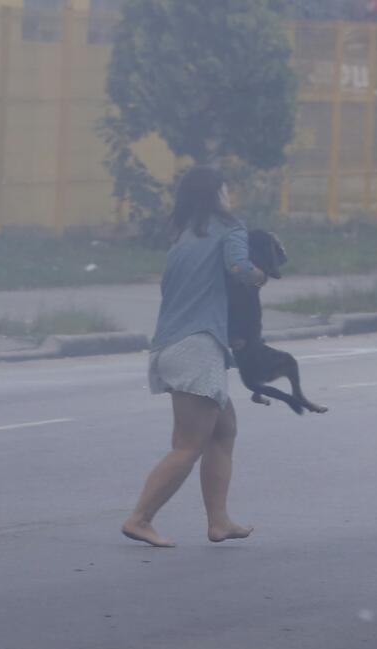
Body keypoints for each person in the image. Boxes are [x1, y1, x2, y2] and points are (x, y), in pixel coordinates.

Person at [121, 166, 268, 548]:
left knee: (223, 429)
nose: (229, 194)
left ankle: (219, 520)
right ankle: (140, 518)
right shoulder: (230, 228)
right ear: (217, 193)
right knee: (188, 444)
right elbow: (238, 267)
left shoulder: (184, 236)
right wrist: (259, 275)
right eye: (226, 188)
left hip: (170, 346)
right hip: (197, 347)